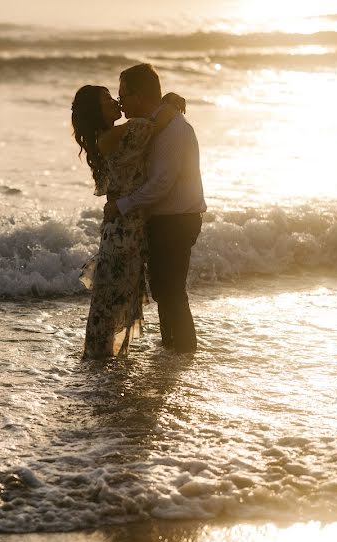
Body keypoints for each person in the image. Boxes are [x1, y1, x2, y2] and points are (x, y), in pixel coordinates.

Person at [72, 83, 182, 358]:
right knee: (111, 302)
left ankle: (102, 367)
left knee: (115, 299)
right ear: (97, 111)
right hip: (123, 231)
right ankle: (98, 360)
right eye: (107, 99)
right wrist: (168, 103)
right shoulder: (111, 137)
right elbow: (154, 123)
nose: (115, 102)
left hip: (127, 226)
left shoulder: (111, 135)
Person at [104, 64, 206, 353]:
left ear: (139, 95)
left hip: (178, 219)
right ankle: (171, 346)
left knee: (172, 290)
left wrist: (121, 206)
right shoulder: (154, 125)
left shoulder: (173, 129)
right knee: (162, 290)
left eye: (123, 93)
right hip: (165, 218)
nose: (120, 100)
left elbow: (161, 183)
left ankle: (184, 351)